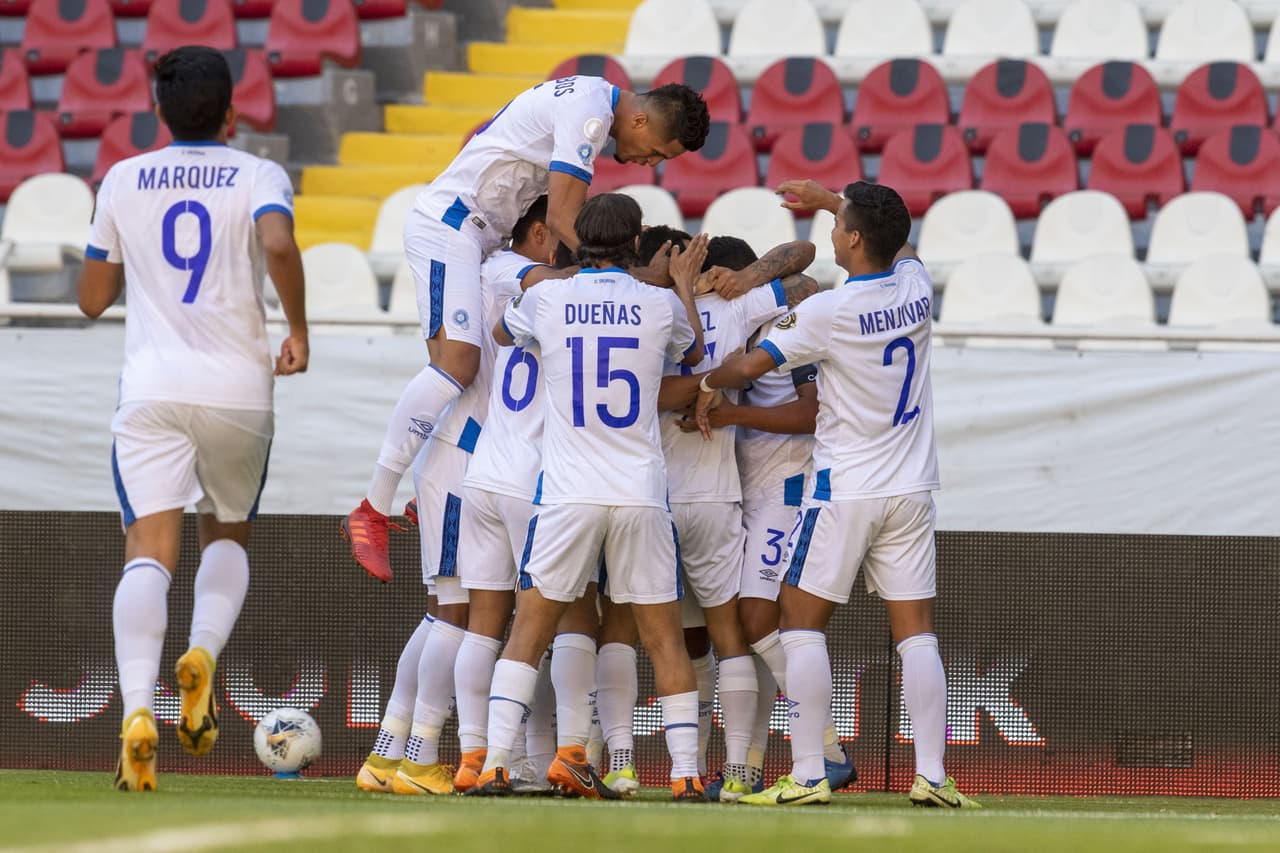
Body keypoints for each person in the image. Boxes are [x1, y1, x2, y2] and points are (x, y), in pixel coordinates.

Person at [342, 77, 710, 583]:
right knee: (458, 364)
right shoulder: (589, 113)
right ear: (642, 120)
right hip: (453, 225)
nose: (651, 165)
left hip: (478, 235)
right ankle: (372, 507)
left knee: (470, 372)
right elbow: (561, 217)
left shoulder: (590, 101)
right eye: (656, 153)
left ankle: (423, 484)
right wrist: (623, 276)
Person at [695, 180, 978, 809]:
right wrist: (830, 199)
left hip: (845, 489)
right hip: (911, 489)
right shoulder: (916, 287)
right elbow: (901, 245)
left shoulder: (831, 312)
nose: (830, 229)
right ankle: (932, 775)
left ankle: (808, 772)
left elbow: (749, 367)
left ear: (851, 238)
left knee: (797, 626)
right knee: (917, 635)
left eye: (837, 222)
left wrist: (710, 385)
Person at [77, 46, 307, 792]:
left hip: (151, 388)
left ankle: (138, 712)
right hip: (239, 388)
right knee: (228, 531)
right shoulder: (258, 174)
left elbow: (90, 298)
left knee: (148, 549)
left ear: (159, 112)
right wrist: (297, 327)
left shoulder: (121, 177)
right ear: (233, 113)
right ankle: (202, 651)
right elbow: (277, 240)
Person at [473, 193, 708, 801]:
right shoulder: (658, 304)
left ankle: (497, 761)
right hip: (638, 492)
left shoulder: (548, 296)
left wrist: (560, 287)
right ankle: (685, 775)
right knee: (662, 638)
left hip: (568, 491)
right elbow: (695, 353)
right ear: (634, 244)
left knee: (529, 628)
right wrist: (679, 285)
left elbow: (502, 331)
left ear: (579, 239)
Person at [683, 237, 856, 799]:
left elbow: (812, 412)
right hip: (742, 493)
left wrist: (731, 410)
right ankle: (749, 769)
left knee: (758, 621)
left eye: (718, 280)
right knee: (749, 637)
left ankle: (827, 750)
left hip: (785, 489)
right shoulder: (724, 329)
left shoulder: (787, 326)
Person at [657, 236, 818, 800]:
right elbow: (803, 274)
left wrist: (746, 278)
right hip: (723, 493)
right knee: (710, 639)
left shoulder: (774, 324)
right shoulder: (711, 313)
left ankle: (805, 751)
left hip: (762, 491)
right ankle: (712, 769)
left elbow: (805, 272)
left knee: (747, 627)